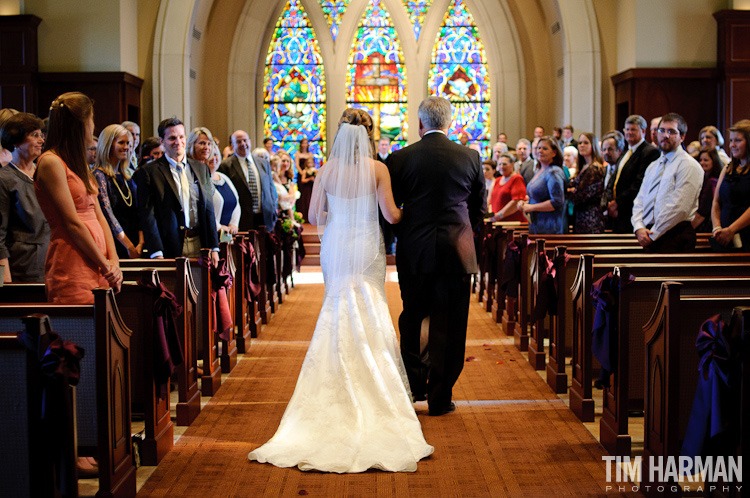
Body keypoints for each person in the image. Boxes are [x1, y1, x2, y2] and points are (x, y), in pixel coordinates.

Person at [248, 108, 433, 472]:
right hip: (365, 245)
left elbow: (315, 216)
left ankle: (331, 382)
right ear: (366, 136)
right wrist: (410, 209)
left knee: (338, 305)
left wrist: (340, 219)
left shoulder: (327, 170)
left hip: (338, 244)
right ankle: (377, 386)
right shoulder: (377, 169)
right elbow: (392, 215)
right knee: (370, 303)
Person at [389, 96, 485, 417]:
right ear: (450, 123)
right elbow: (478, 211)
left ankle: (413, 387)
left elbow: (392, 208)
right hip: (457, 252)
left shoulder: (400, 158)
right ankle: (440, 398)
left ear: (419, 124)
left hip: (414, 251)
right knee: (451, 324)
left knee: (413, 317)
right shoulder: (470, 157)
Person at [34, 91, 122, 303]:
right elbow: (72, 222)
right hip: (74, 260)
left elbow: (99, 215)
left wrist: (114, 261)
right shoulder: (51, 162)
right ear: (79, 124)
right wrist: (104, 263)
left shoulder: (78, 161)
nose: (93, 126)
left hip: (99, 262)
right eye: (91, 120)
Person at [133, 117, 219, 263]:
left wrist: (214, 247)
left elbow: (208, 210)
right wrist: (156, 252)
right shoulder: (149, 172)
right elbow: (148, 216)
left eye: (181, 137)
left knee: (202, 285)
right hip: (170, 245)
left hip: (200, 242)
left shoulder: (201, 168)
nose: (178, 142)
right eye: (172, 138)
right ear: (162, 141)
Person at [631, 113, 703, 252]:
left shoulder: (688, 165)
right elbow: (640, 200)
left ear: (682, 137)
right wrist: (639, 227)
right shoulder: (653, 166)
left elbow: (679, 207)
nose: (665, 135)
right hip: (649, 234)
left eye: (671, 131)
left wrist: (654, 233)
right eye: (662, 130)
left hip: (675, 235)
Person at [0, 112, 50, 282]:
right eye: (34, 135)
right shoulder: (4, 179)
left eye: (41, 135)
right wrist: (4, 284)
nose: (41, 141)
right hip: (22, 271)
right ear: (15, 141)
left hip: (52, 264)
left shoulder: (46, 173)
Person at [93, 124, 144, 259]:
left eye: (128, 143)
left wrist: (141, 241)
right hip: (115, 244)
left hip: (135, 244)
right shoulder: (99, 175)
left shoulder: (127, 176)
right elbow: (107, 214)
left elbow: (138, 211)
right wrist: (128, 245)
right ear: (108, 145)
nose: (126, 147)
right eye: (121, 143)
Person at [607, 114, 660, 233]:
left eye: (633, 129)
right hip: (618, 211)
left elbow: (639, 183)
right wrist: (611, 202)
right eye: (627, 129)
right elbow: (615, 179)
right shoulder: (626, 153)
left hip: (632, 211)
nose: (629, 132)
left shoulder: (649, 152)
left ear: (643, 131)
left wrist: (618, 203)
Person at [219, 130, 278, 231]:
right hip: (242, 220)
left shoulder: (263, 163)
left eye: (245, 140)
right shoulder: (225, 166)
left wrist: (274, 209)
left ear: (250, 142)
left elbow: (271, 187)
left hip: (265, 218)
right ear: (232, 145)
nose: (243, 144)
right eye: (238, 142)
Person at [712, 119, 750, 251]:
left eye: (738, 140)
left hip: (746, 236)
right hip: (724, 236)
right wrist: (717, 228)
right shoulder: (728, 168)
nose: (732, 145)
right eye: (731, 140)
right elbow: (716, 202)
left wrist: (732, 229)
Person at [518, 136, 566, 234]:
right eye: (539, 148)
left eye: (545, 148)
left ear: (554, 152)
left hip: (550, 226)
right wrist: (526, 202)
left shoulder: (554, 172)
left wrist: (532, 207)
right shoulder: (540, 170)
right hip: (537, 225)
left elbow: (557, 202)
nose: (540, 150)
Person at [567, 132, 605, 233]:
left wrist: (570, 192)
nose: (582, 145)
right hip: (580, 216)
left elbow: (582, 196)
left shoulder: (595, 168)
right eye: (580, 143)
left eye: (586, 143)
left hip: (591, 218)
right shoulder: (584, 167)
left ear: (593, 145)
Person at [208, 142, 240, 237]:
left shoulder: (224, 177)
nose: (213, 158)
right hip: (212, 235)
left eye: (216, 154)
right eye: (210, 155)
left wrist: (233, 224)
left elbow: (236, 203)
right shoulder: (201, 181)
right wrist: (219, 227)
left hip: (227, 234)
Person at [488, 153, 526, 222]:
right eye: (499, 164)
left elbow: (516, 201)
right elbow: (491, 201)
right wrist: (491, 215)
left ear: (512, 164)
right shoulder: (497, 180)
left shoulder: (517, 178)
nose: (501, 166)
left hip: (511, 224)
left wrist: (499, 215)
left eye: (504, 164)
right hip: (496, 222)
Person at [693, 147, 723, 234]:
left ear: (714, 161)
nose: (702, 163)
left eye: (706, 160)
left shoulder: (712, 182)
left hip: (706, 228)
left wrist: (689, 230)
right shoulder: (704, 179)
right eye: (700, 160)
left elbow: (702, 213)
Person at [296, 156, 315, 220]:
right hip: (306, 188)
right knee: (306, 202)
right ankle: (306, 217)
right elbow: (302, 180)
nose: (310, 164)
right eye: (308, 163)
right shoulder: (305, 171)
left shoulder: (315, 170)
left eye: (311, 163)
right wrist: (309, 179)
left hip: (312, 188)